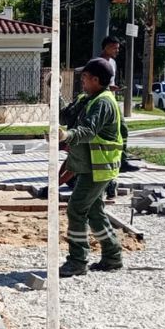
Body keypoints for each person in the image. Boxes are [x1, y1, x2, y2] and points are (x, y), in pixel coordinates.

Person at [54, 58, 125, 276]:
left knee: (76, 209)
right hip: (90, 166)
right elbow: (65, 115)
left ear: (96, 80)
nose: (81, 81)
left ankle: (77, 260)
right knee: (94, 212)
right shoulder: (88, 98)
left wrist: (67, 136)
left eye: (84, 77)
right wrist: (55, 92)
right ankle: (112, 256)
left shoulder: (103, 103)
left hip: (98, 167)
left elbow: (88, 131)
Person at [99, 36, 124, 199]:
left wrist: (112, 88)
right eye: (114, 48)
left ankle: (122, 160)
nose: (117, 51)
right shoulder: (98, 63)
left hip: (112, 101)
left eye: (118, 48)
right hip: (102, 102)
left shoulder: (113, 63)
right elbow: (95, 84)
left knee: (122, 130)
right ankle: (107, 183)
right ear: (106, 47)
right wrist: (108, 87)